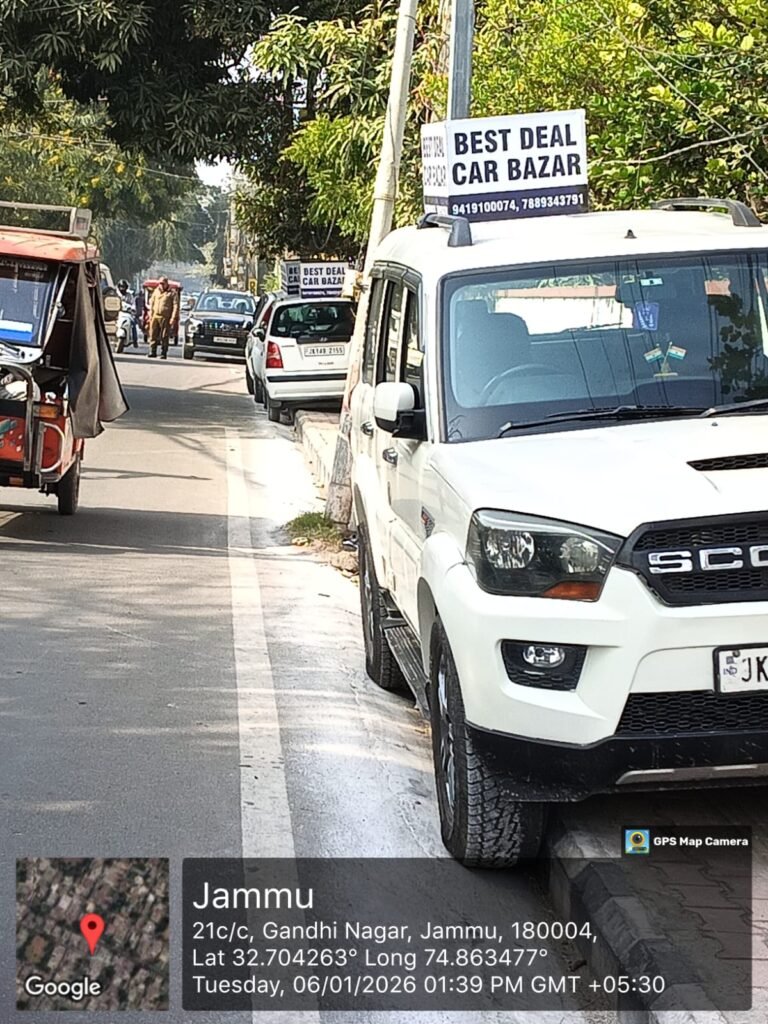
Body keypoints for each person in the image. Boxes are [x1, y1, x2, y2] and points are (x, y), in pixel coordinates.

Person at [148, 277, 179, 359]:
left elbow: (176, 306)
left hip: (166, 317)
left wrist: (173, 318)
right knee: (153, 334)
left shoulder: (172, 293)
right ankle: (152, 351)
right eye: (160, 283)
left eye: (163, 283)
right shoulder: (156, 291)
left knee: (164, 335)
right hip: (155, 315)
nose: (161, 285)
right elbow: (152, 302)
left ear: (166, 283)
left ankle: (163, 352)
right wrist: (150, 313)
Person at [117, 279, 138, 348]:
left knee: (133, 324)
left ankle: (135, 340)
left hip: (127, 313)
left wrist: (133, 309)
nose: (122, 288)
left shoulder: (130, 295)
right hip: (117, 313)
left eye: (124, 287)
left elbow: (133, 304)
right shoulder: (116, 294)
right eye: (121, 287)